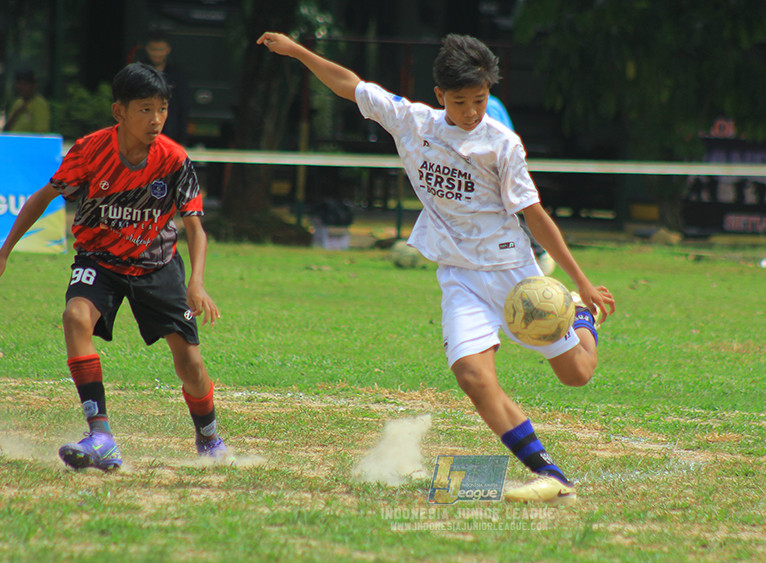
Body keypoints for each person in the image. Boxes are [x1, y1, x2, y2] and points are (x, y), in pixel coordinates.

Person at [257, 31, 616, 504]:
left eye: (481, 100)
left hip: (514, 273)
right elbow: (349, 84)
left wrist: (581, 283)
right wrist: (299, 51)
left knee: (576, 375)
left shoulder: (501, 144)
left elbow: (535, 215)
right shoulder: (413, 122)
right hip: (460, 276)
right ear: (439, 96)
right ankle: (548, 472)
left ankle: (579, 315)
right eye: (461, 101)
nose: (471, 111)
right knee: (472, 376)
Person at [0, 62, 227, 471]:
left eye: (162, 109)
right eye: (145, 109)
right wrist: (3, 254)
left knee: (190, 364)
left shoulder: (174, 159)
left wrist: (196, 282)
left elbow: (195, 228)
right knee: (75, 317)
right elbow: (44, 196)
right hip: (99, 261)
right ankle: (101, 435)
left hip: (156, 265)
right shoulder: (90, 151)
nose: (156, 119)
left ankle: (210, 437)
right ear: (119, 112)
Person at [485, 95, 556, 275]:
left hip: (496, 171)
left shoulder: (488, 104)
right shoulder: (488, 102)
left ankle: (539, 251)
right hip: (492, 171)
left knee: (511, 214)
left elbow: (501, 140)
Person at [142, 30, 190, 143]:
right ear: (147, 49)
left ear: (167, 50)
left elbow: (183, 107)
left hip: (170, 133)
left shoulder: (177, 75)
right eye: (154, 49)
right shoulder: (139, 73)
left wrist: (182, 138)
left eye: (160, 50)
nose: (157, 54)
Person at [4, 69, 51, 133]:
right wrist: (16, 114)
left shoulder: (40, 104)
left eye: (25, 84)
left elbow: (41, 133)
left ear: (34, 85)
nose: (21, 87)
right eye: (19, 83)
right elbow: (6, 130)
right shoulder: (18, 102)